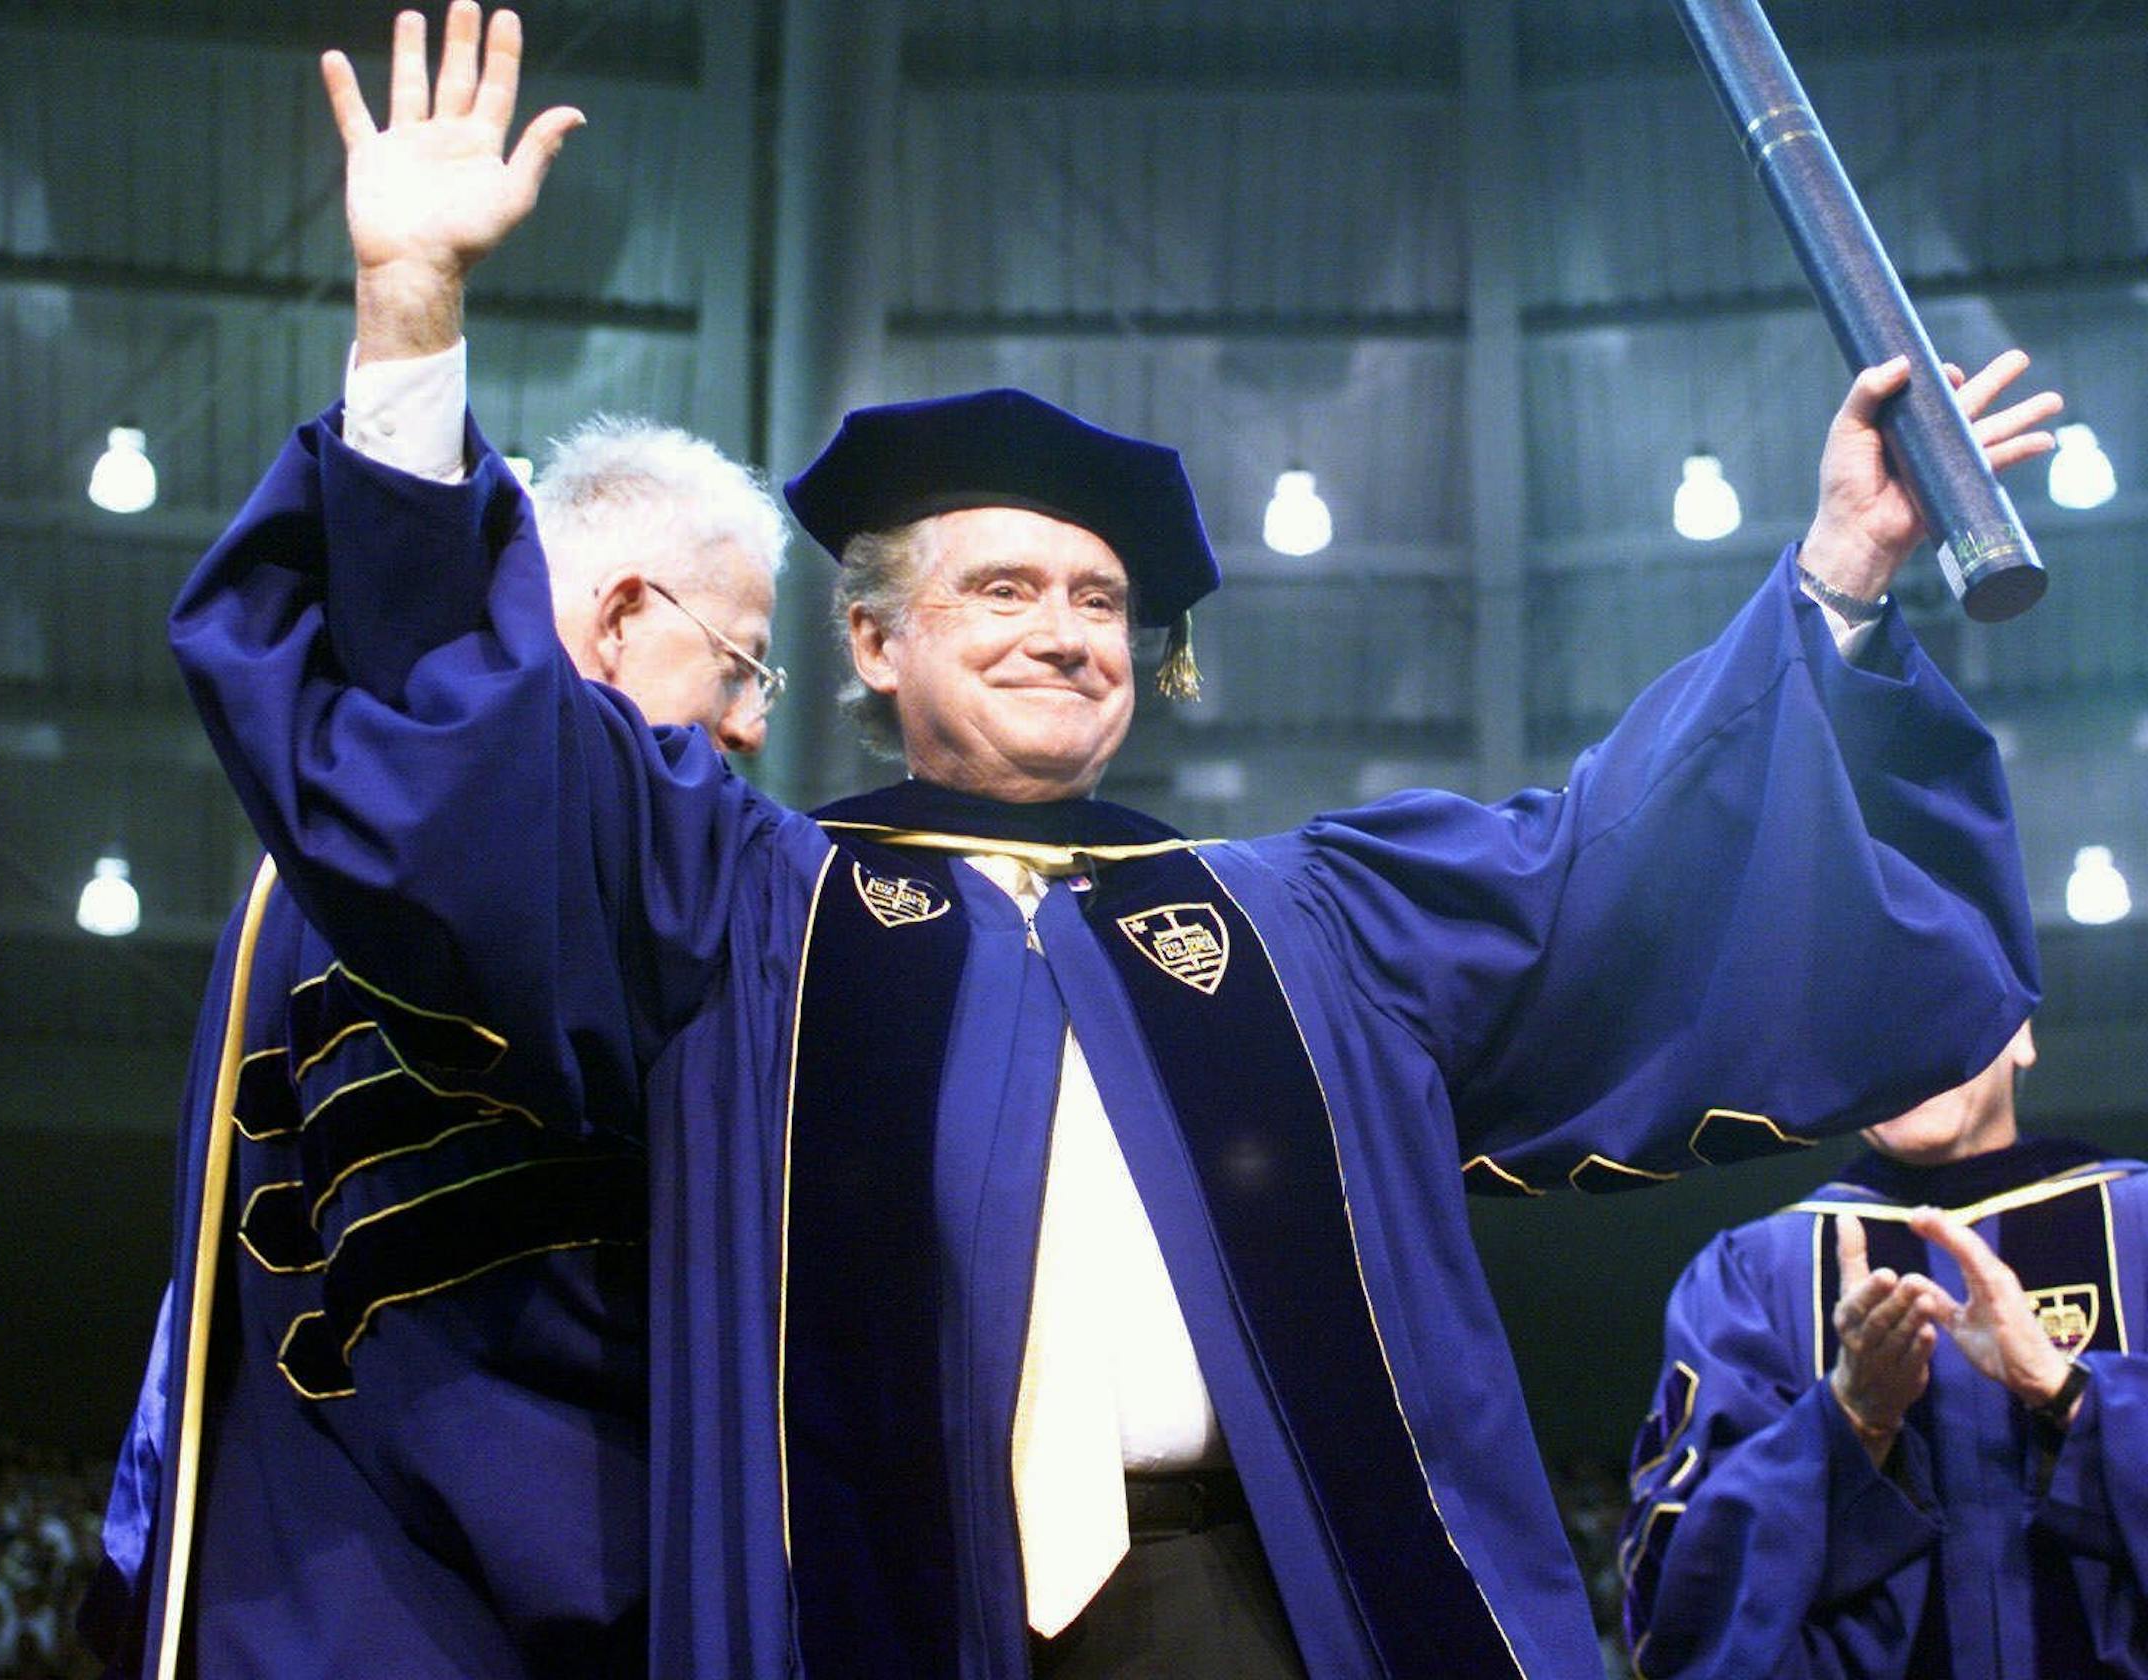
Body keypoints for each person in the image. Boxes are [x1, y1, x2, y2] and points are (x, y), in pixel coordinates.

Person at [167, 5, 2060, 1675]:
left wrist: (1834, 580)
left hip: (1281, 1609)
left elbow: (1618, 866)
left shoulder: (1308, 919)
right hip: (887, 1613)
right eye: (998, 588)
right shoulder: (741, 903)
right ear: (875, 643)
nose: (1065, 629)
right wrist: (410, 317)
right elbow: (469, 765)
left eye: (1100, 603)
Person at [84, 380, 788, 1678]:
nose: (749, 723)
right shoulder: (546, 869)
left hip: (282, 1580)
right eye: (743, 663)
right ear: (626, 616)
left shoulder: (288, 882)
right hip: (525, 1583)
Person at [1620, 1024, 2148, 1679]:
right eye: (1867, 1021)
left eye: (1935, 1008)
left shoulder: (2137, 1223)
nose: (1904, 1046)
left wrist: (2065, 1393)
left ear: (2021, 1035)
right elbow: (1684, 1615)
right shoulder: (1755, 1274)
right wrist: (1848, 1421)